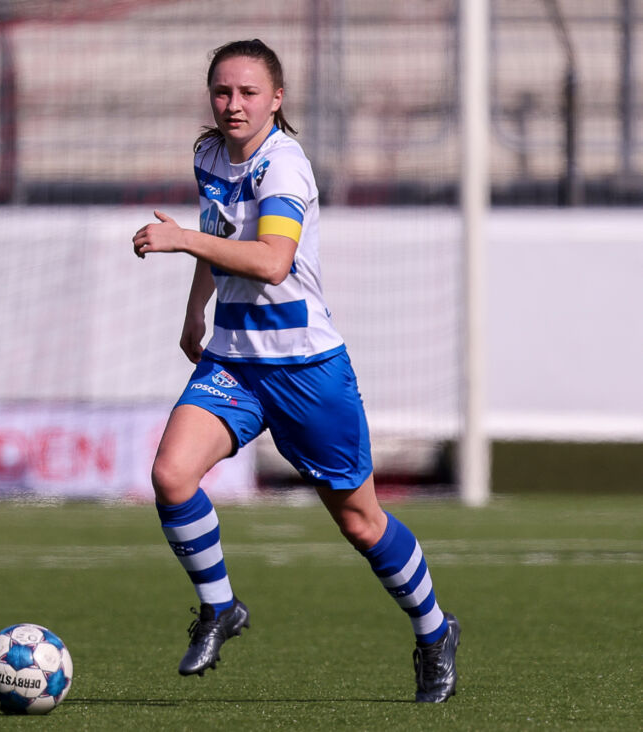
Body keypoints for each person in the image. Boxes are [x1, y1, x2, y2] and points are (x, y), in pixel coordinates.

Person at [131, 38, 460, 703]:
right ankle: (220, 607)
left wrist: (182, 241)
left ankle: (434, 631)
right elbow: (217, 232)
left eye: (249, 93)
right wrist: (196, 311)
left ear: (277, 100)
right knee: (171, 474)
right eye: (223, 92)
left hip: (306, 369)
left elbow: (272, 261)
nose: (233, 104)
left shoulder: (285, 168)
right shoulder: (209, 155)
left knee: (360, 521)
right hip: (234, 360)